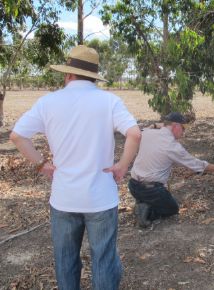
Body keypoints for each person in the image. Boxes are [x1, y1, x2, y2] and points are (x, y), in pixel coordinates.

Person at [10, 45, 141, 290]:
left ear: (68, 74)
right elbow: (134, 134)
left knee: (65, 260)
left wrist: (41, 164)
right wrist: (122, 166)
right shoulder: (109, 101)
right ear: (94, 76)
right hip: (101, 197)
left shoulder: (48, 102)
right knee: (103, 260)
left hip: (64, 197)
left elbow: (17, 136)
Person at [128, 112, 214, 228]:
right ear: (176, 126)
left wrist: (157, 125)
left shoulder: (147, 133)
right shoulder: (172, 146)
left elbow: (145, 129)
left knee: (153, 196)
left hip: (133, 185)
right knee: (172, 209)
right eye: (183, 128)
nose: (184, 133)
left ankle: (142, 202)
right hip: (152, 190)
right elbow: (194, 163)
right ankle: (147, 211)